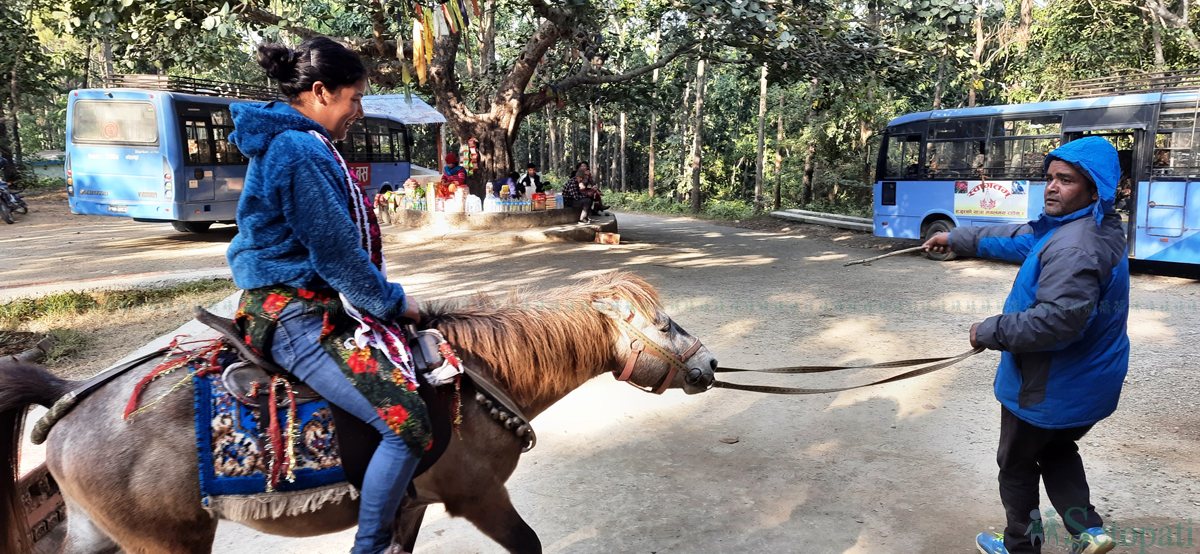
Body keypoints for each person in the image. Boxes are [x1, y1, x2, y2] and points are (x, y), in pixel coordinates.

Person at [226, 37, 432, 554]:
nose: (359, 112)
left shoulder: (303, 143)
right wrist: (392, 300)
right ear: (320, 92)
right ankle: (372, 547)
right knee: (407, 425)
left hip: (305, 303)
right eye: (354, 98)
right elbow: (336, 256)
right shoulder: (300, 149)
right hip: (295, 315)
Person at [925, 136, 1127, 554]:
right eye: (1050, 178)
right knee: (1056, 448)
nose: (1052, 187)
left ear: (1095, 191)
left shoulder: (1074, 246)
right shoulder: (1092, 227)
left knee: (1016, 466)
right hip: (1087, 384)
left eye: (1066, 180)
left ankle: (1020, 546)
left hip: (1047, 386)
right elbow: (1020, 239)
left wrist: (989, 330)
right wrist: (958, 239)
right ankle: (1089, 532)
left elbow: (1057, 322)